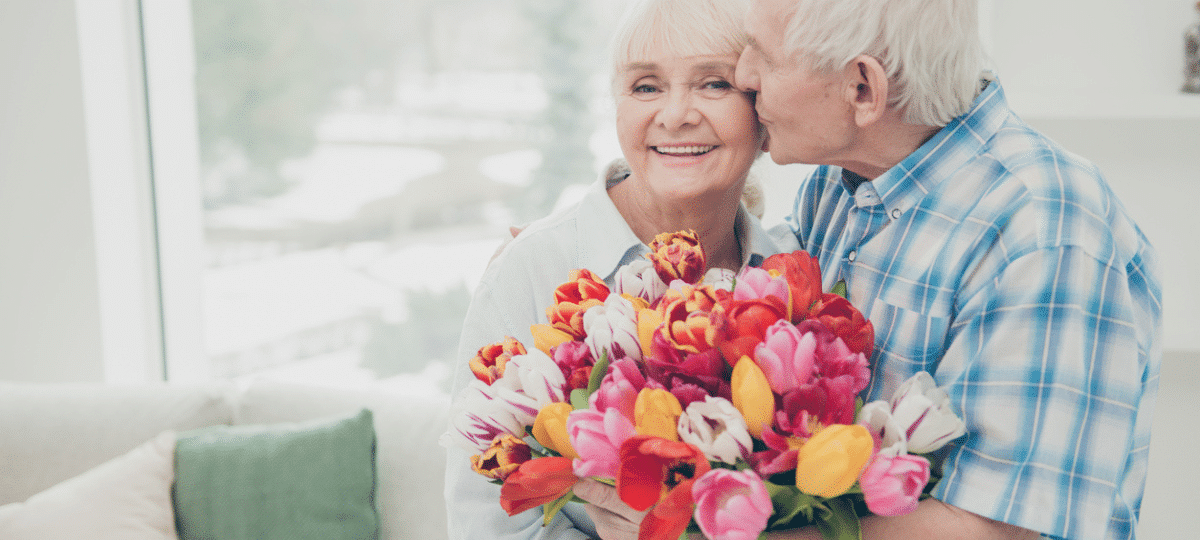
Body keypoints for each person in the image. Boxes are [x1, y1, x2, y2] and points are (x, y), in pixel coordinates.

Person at [728, 0, 1162, 539]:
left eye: (764, 58)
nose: (742, 75)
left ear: (863, 88)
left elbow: (997, 530)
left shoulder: (1043, 230)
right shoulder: (838, 182)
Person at [443, 0, 798, 538]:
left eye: (714, 84)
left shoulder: (792, 278)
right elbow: (483, 523)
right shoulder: (535, 269)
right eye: (646, 87)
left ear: (764, 113)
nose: (675, 115)